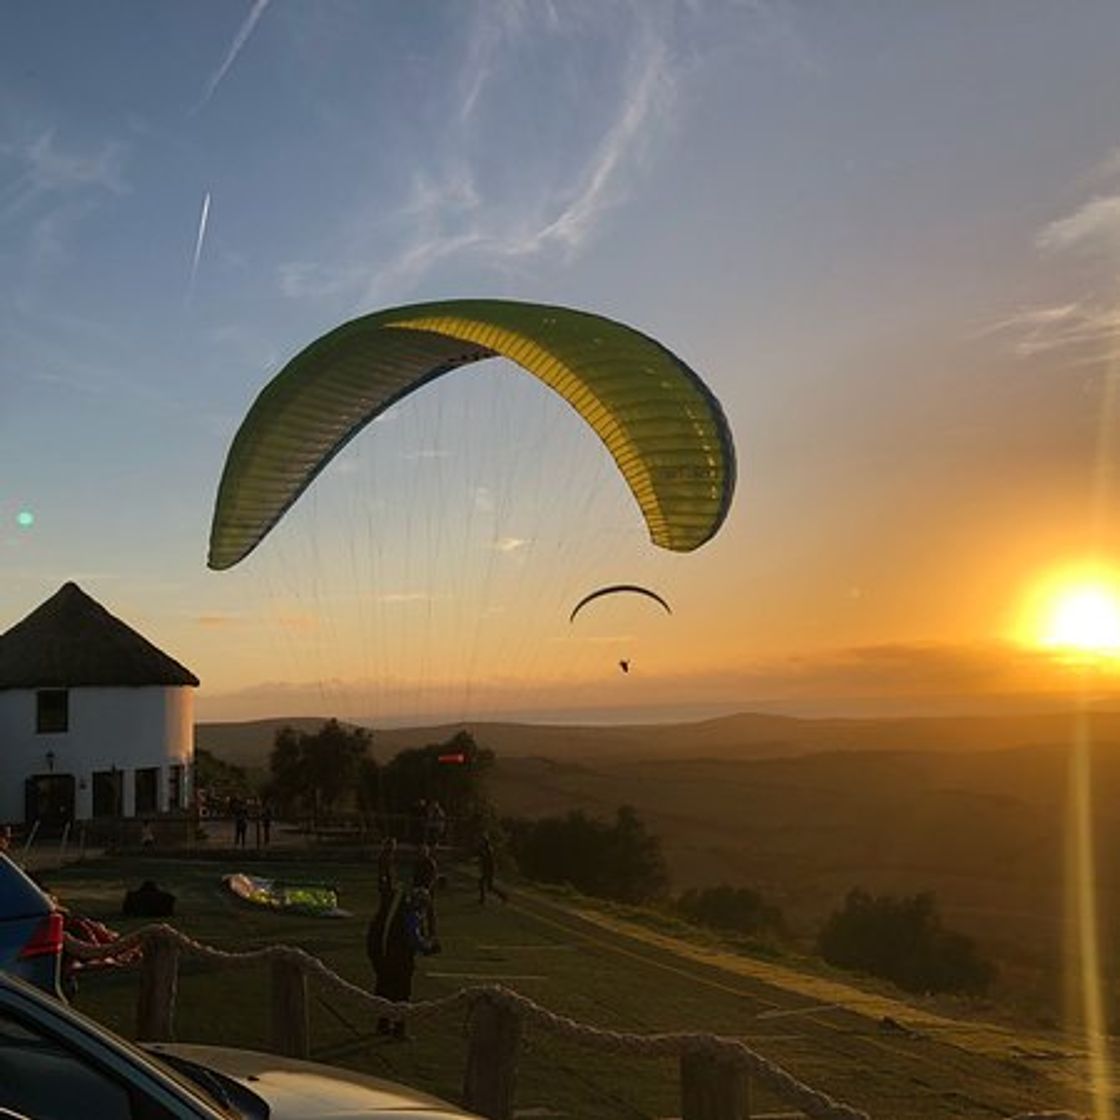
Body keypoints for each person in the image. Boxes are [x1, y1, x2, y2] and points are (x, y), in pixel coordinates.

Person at [365, 886, 440, 1038]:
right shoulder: (411, 915)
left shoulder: (396, 909)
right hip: (401, 959)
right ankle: (399, 1028)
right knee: (402, 993)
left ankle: (383, 1024)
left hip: (386, 955)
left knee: (384, 990)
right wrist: (429, 947)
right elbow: (415, 940)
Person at [477, 832, 508, 905]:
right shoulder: (485, 849)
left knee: (487, 886)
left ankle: (503, 896)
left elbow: (489, 860)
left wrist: (487, 869)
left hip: (488, 869)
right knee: (485, 885)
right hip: (487, 869)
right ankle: (483, 899)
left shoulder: (487, 850)